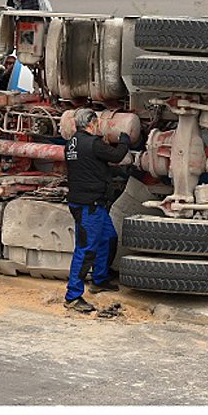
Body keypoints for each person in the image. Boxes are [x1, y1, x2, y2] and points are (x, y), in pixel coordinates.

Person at [63, 108, 130, 314]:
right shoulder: (92, 143)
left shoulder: (72, 143)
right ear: (92, 123)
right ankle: (73, 296)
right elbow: (117, 155)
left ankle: (99, 279)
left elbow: (90, 166)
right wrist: (125, 138)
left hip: (92, 204)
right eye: (97, 123)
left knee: (108, 238)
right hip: (88, 205)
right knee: (86, 249)